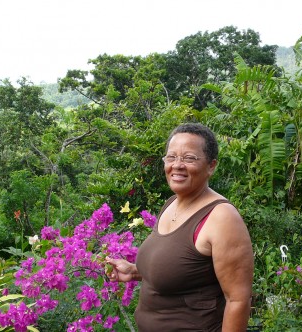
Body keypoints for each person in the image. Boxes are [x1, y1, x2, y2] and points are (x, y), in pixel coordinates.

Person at [106, 123, 254, 332]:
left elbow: (238, 300)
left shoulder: (221, 218)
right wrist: (135, 272)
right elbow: (181, 271)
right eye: (171, 157)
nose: (177, 165)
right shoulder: (172, 203)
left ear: (211, 166)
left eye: (189, 158)